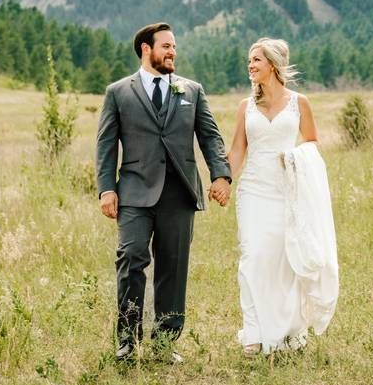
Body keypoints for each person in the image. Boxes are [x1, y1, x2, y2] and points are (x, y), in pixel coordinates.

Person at [95, 22, 232, 363]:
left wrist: (221, 175)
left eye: (174, 46)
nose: (173, 52)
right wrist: (105, 190)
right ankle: (127, 341)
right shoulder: (118, 92)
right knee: (130, 259)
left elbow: (210, 137)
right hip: (134, 193)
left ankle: (163, 343)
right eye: (167, 46)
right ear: (146, 48)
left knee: (173, 267)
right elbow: (106, 144)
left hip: (179, 194)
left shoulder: (192, 91)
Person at [226, 37, 337, 355]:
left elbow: (312, 143)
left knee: (284, 261)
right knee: (252, 257)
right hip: (254, 191)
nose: (250, 66)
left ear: (272, 64)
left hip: (287, 192)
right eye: (249, 60)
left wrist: (293, 157)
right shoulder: (246, 107)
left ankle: (287, 333)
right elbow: (236, 150)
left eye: (256, 60)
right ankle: (254, 334)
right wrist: (224, 181)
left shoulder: (299, 103)